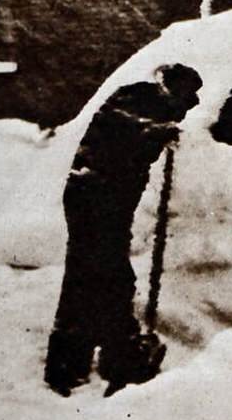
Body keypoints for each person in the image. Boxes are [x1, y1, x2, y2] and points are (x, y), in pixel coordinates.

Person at [44, 63, 202, 397]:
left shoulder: (152, 105)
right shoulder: (137, 95)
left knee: (96, 278)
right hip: (93, 197)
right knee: (100, 277)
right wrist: (157, 130)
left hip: (108, 201)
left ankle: (87, 361)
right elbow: (125, 122)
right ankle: (106, 359)